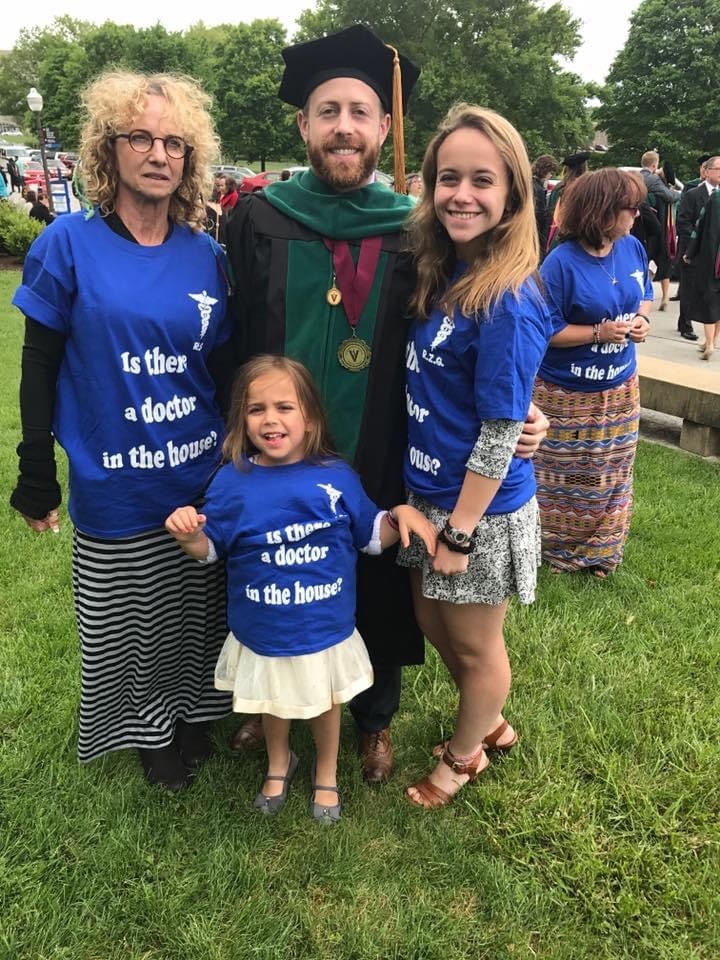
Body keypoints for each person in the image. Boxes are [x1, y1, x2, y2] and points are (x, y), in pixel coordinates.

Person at [225, 25, 549, 784]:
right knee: (266, 557)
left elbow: (475, 352)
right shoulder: (256, 219)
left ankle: (375, 718)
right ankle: (263, 700)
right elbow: (230, 339)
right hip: (278, 441)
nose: (344, 125)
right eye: (328, 110)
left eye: (361, 112)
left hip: (382, 445)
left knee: (380, 579)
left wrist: (525, 417)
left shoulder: (417, 234)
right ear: (303, 126)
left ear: (382, 129)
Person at [10, 70, 234, 791]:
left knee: (198, 610)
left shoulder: (207, 253)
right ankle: (148, 729)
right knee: (129, 621)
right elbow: (38, 364)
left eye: (174, 141)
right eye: (140, 136)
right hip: (114, 478)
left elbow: (224, 368)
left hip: (198, 470)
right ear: (109, 148)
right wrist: (35, 467)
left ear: (191, 158)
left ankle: (198, 710)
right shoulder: (68, 244)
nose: (158, 154)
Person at [166, 355, 437, 821]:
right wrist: (191, 536)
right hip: (263, 626)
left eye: (284, 407)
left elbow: (372, 536)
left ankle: (325, 772)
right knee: (274, 702)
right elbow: (212, 550)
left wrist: (400, 516)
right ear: (242, 419)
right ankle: (279, 762)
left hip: (322, 626)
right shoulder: (232, 481)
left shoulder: (335, 477)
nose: (270, 419)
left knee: (325, 702)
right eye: (256, 409)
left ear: (309, 415)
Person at [397, 104, 552, 809]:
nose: (462, 193)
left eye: (482, 180)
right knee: (433, 622)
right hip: (429, 494)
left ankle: (464, 758)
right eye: (448, 178)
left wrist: (460, 531)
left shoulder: (508, 295)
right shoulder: (448, 271)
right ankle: (491, 724)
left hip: (477, 510)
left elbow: (498, 431)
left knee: (476, 647)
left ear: (513, 194)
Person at [533, 168, 653, 577]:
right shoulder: (561, 263)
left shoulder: (632, 248)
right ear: (602, 211)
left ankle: (602, 551)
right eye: (630, 208)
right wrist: (598, 331)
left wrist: (641, 322)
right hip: (565, 394)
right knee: (565, 476)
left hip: (620, 389)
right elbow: (546, 329)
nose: (637, 215)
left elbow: (646, 295)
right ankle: (558, 550)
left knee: (613, 471)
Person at [675, 157, 720, 343]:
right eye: (718, 169)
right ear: (706, 171)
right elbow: (683, 222)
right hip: (694, 253)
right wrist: (696, 246)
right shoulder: (693, 194)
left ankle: (711, 337)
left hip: (715, 256)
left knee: (712, 293)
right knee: (689, 289)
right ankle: (686, 324)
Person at [639, 150, 682, 310]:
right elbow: (670, 197)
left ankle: (640, 293)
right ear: (654, 165)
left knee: (641, 262)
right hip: (657, 229)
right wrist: (679, 193)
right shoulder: (654, 180)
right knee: (663, 262)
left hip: (638, 228)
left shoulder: (634, 177)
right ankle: (664, 297)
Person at [546, 152, 589, 252]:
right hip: (575, 237)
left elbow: (550, 213)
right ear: (583, 168)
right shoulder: (584, 188)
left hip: (556, 233)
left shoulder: (559, 187)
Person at [531, 154, 557, 259]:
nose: (550, 176)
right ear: (545, 171)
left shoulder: (530, 183)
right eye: (550, 172)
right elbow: (539, 215)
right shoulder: (538, 189)